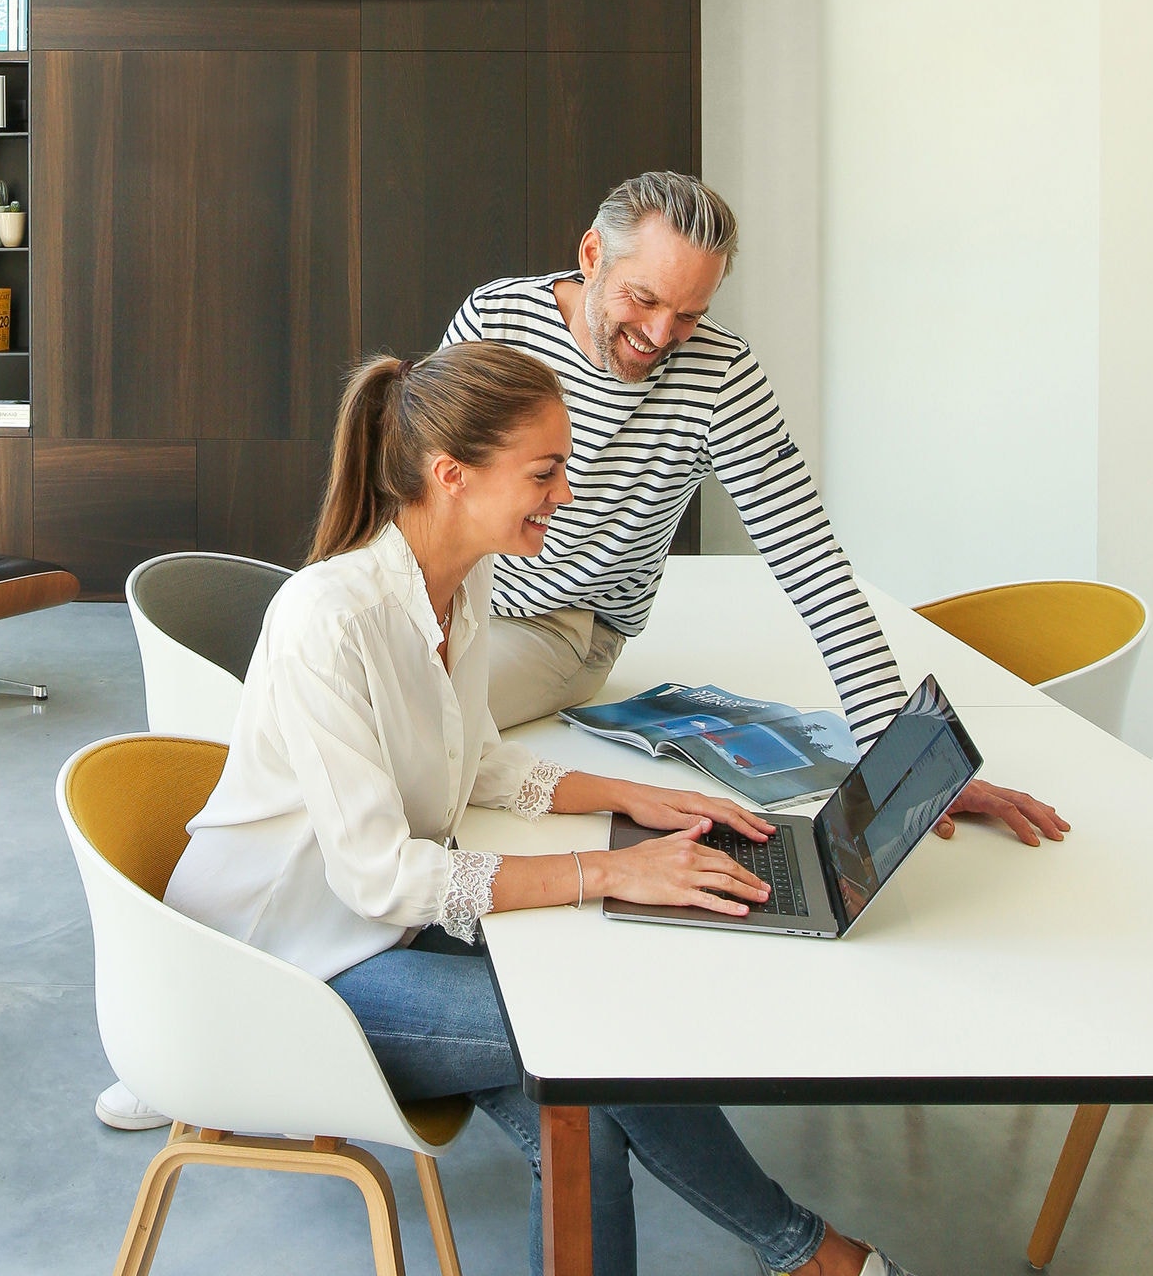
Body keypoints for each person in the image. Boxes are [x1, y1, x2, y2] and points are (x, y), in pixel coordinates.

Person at [162, 342, 919, 1276]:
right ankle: (809, 1253)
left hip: (371, 929)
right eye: (546, 471)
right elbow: (382, 875)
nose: (565, 494)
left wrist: (638, 796)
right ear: (452, 476)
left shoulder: (459, 582)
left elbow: (473, 758)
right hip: (282, 966)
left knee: (589, 1118)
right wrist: (606, 868)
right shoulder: (332, 620)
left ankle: (805, 1254)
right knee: (602, 1036)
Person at [446, 170, 1067, 847]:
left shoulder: (720, 377)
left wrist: (905, 755)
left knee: (416, 718)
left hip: (560, 626)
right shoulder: (497, 317)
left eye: (689, 314)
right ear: (592, 255)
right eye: (643, 298)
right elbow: (426, 479)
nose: (658, 335)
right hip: (452, 589)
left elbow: (812, 560)